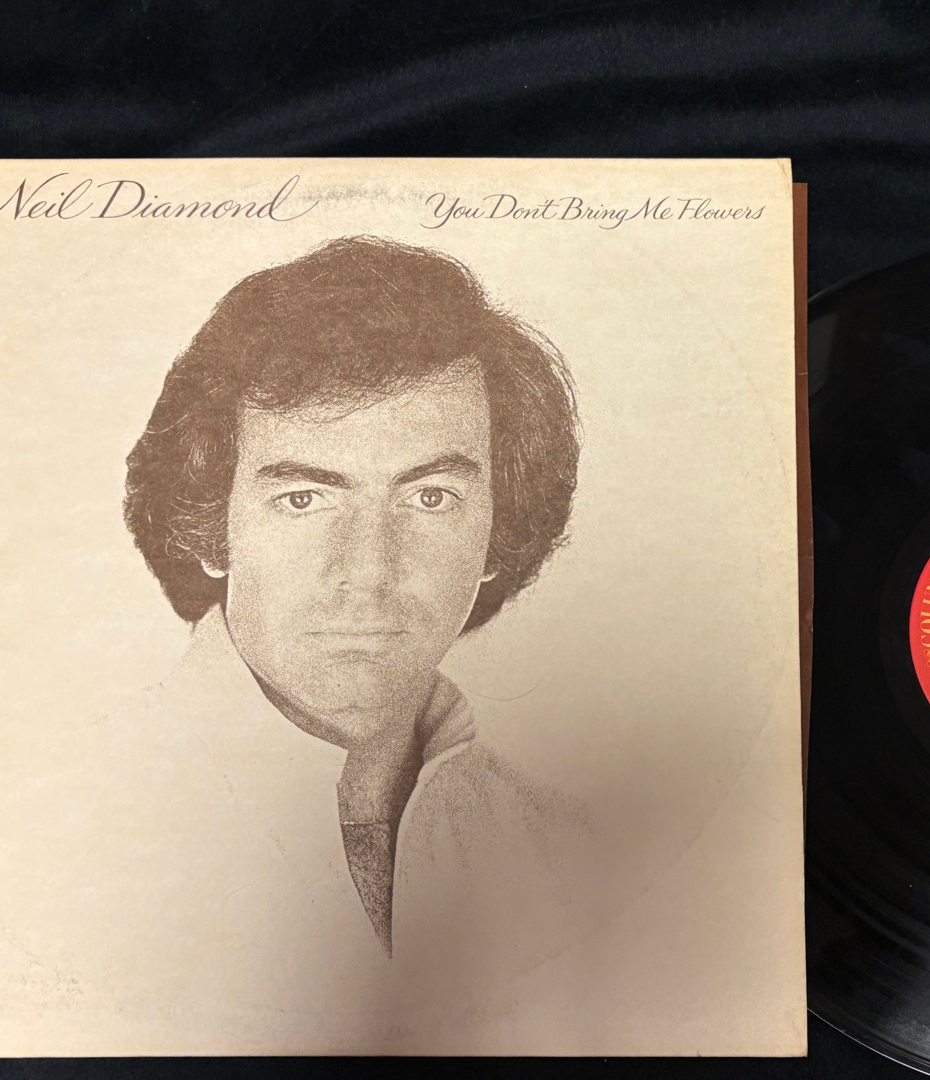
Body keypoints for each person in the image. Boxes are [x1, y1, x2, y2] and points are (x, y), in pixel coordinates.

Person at [47, 236, 589, 1044]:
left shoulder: (571, 856)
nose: (367, 570)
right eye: (304, 498)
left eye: (430, 498)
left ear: (495, 533)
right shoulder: (49, 834)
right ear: (210, 529)